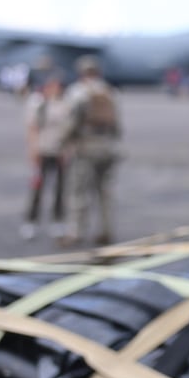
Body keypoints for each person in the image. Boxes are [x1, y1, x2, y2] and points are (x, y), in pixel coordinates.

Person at [59, 55, 121, 246]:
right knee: (104, 192)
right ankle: (106, 230)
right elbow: (117, 125)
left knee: (78, 193)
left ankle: (76, 233)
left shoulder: (78, 92)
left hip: (86, 148)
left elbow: (71, 122)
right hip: (107, 149)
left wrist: (64, 142)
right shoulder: (109, 91)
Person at [21, 74, 70, 240]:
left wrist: (67, 150)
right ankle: (31, 221)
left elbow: (68, 130)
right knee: (37, 189)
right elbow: (32, 129)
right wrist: (33, 150)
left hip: (59, 151)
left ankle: (58, 221)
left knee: (60, 189)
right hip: (42, 150)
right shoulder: (38, 104)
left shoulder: (64, 104)